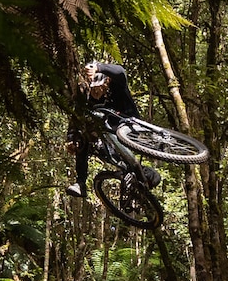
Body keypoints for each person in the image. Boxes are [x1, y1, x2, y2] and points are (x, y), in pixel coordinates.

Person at [66, 61, 160, 198]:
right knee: (84, 140)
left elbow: (121, 72)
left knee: (122, 141)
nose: (97, 91)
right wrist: (71, 138)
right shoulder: (86, 97)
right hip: (109, 134)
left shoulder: (117, 86)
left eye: (101, 87)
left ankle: (145, 172)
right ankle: (81, 183)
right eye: (94, 89)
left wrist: (99, 68)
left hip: (129, 125)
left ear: (107, 82)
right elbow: (76, 118)